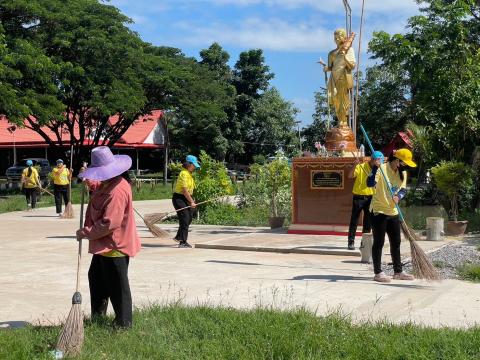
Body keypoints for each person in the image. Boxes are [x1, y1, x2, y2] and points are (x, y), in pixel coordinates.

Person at [76, 146, 140, 328]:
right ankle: (98, 317)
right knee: (96, 278)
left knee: (117, 287)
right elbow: (100, 188)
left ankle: (123, 323)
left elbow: (109, 223)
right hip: (103, 246)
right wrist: (90, 183)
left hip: (115, 246)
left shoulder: (117, 191)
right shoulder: (108, 183)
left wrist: (85, 233)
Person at [367, 148, 417, 283]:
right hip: (379, 211)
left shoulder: (403, 173)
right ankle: (378, 273)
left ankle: (398, 271)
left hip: (393, 211)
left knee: (396, 242)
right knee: (379, 242)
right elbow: (370, 183)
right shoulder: (381, 168)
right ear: (396, 160)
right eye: (404, 162)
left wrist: (399, 196)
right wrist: (374, 169)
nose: (405, 165)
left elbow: (404, 189)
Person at [346, 151, 384, 250]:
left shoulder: (379, 170)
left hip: (371, 197)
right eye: (377, 161)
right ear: (372, 160)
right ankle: (351, 242)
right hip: (358, 197)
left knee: (368, 222)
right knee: (354, 220)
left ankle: (364, 243)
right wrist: (354, 165)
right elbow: (350, 176)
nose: (379, 163)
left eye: (380, 162)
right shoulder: (361, 166)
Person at [324, 28, 356, 127]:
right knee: (335, 98)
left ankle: (344, 121)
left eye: (339, 36)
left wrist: (345, 57)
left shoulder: (349, 50)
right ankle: (339, 119)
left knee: (343, 99)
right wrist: (326, 68)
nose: (337, 39)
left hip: (343, 77)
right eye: (335, 37)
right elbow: (331, 67)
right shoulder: (331, 53)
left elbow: (352, 66)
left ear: (345, 37)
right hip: (334, 78)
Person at [172, 155, 200, 248]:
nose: (195, 167)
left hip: (186, 198)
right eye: (194, 165)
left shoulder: (189, 174)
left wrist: (192, 200)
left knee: (189, 218)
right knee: (185, 218)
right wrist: (191, 201)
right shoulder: (183, 173)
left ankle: (179, 236)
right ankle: (183, 242)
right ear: (189, 164)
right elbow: (184, 190)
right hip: (179, 198)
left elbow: (190, 190)